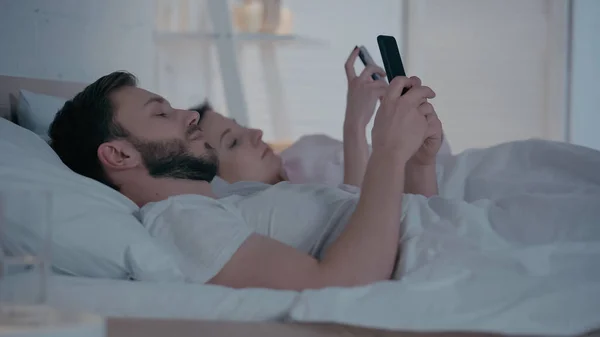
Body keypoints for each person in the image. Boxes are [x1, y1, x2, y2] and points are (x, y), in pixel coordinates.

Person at [48, 70, 439, 290]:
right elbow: (342, 283)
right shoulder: (181, 220)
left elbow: (405, 224)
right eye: (162, 114)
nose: (190, 116)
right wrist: (387, 154)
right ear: (119, 155)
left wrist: (421, 164)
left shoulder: (234, 201)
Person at [195, 47, 442, 196]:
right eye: (234, 141)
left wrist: (418, 155)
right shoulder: (270, 215)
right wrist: (355, 126)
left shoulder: (308, 149)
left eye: (242, 126)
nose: (257, 132)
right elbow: (364, 229)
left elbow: (416, 212)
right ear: (217, 184)